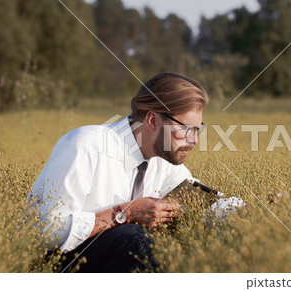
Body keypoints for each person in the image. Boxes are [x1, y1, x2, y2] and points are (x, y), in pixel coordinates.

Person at [29, 72, 209, 272]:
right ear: (152, 121)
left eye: (197, 129)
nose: (194, 140)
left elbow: (201, 198)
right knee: (133, 239)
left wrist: (243, 217)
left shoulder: (163, 158)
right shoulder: (85, 145)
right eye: (187, 129)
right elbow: (48, 232)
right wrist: (126, 213)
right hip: (53, 266)